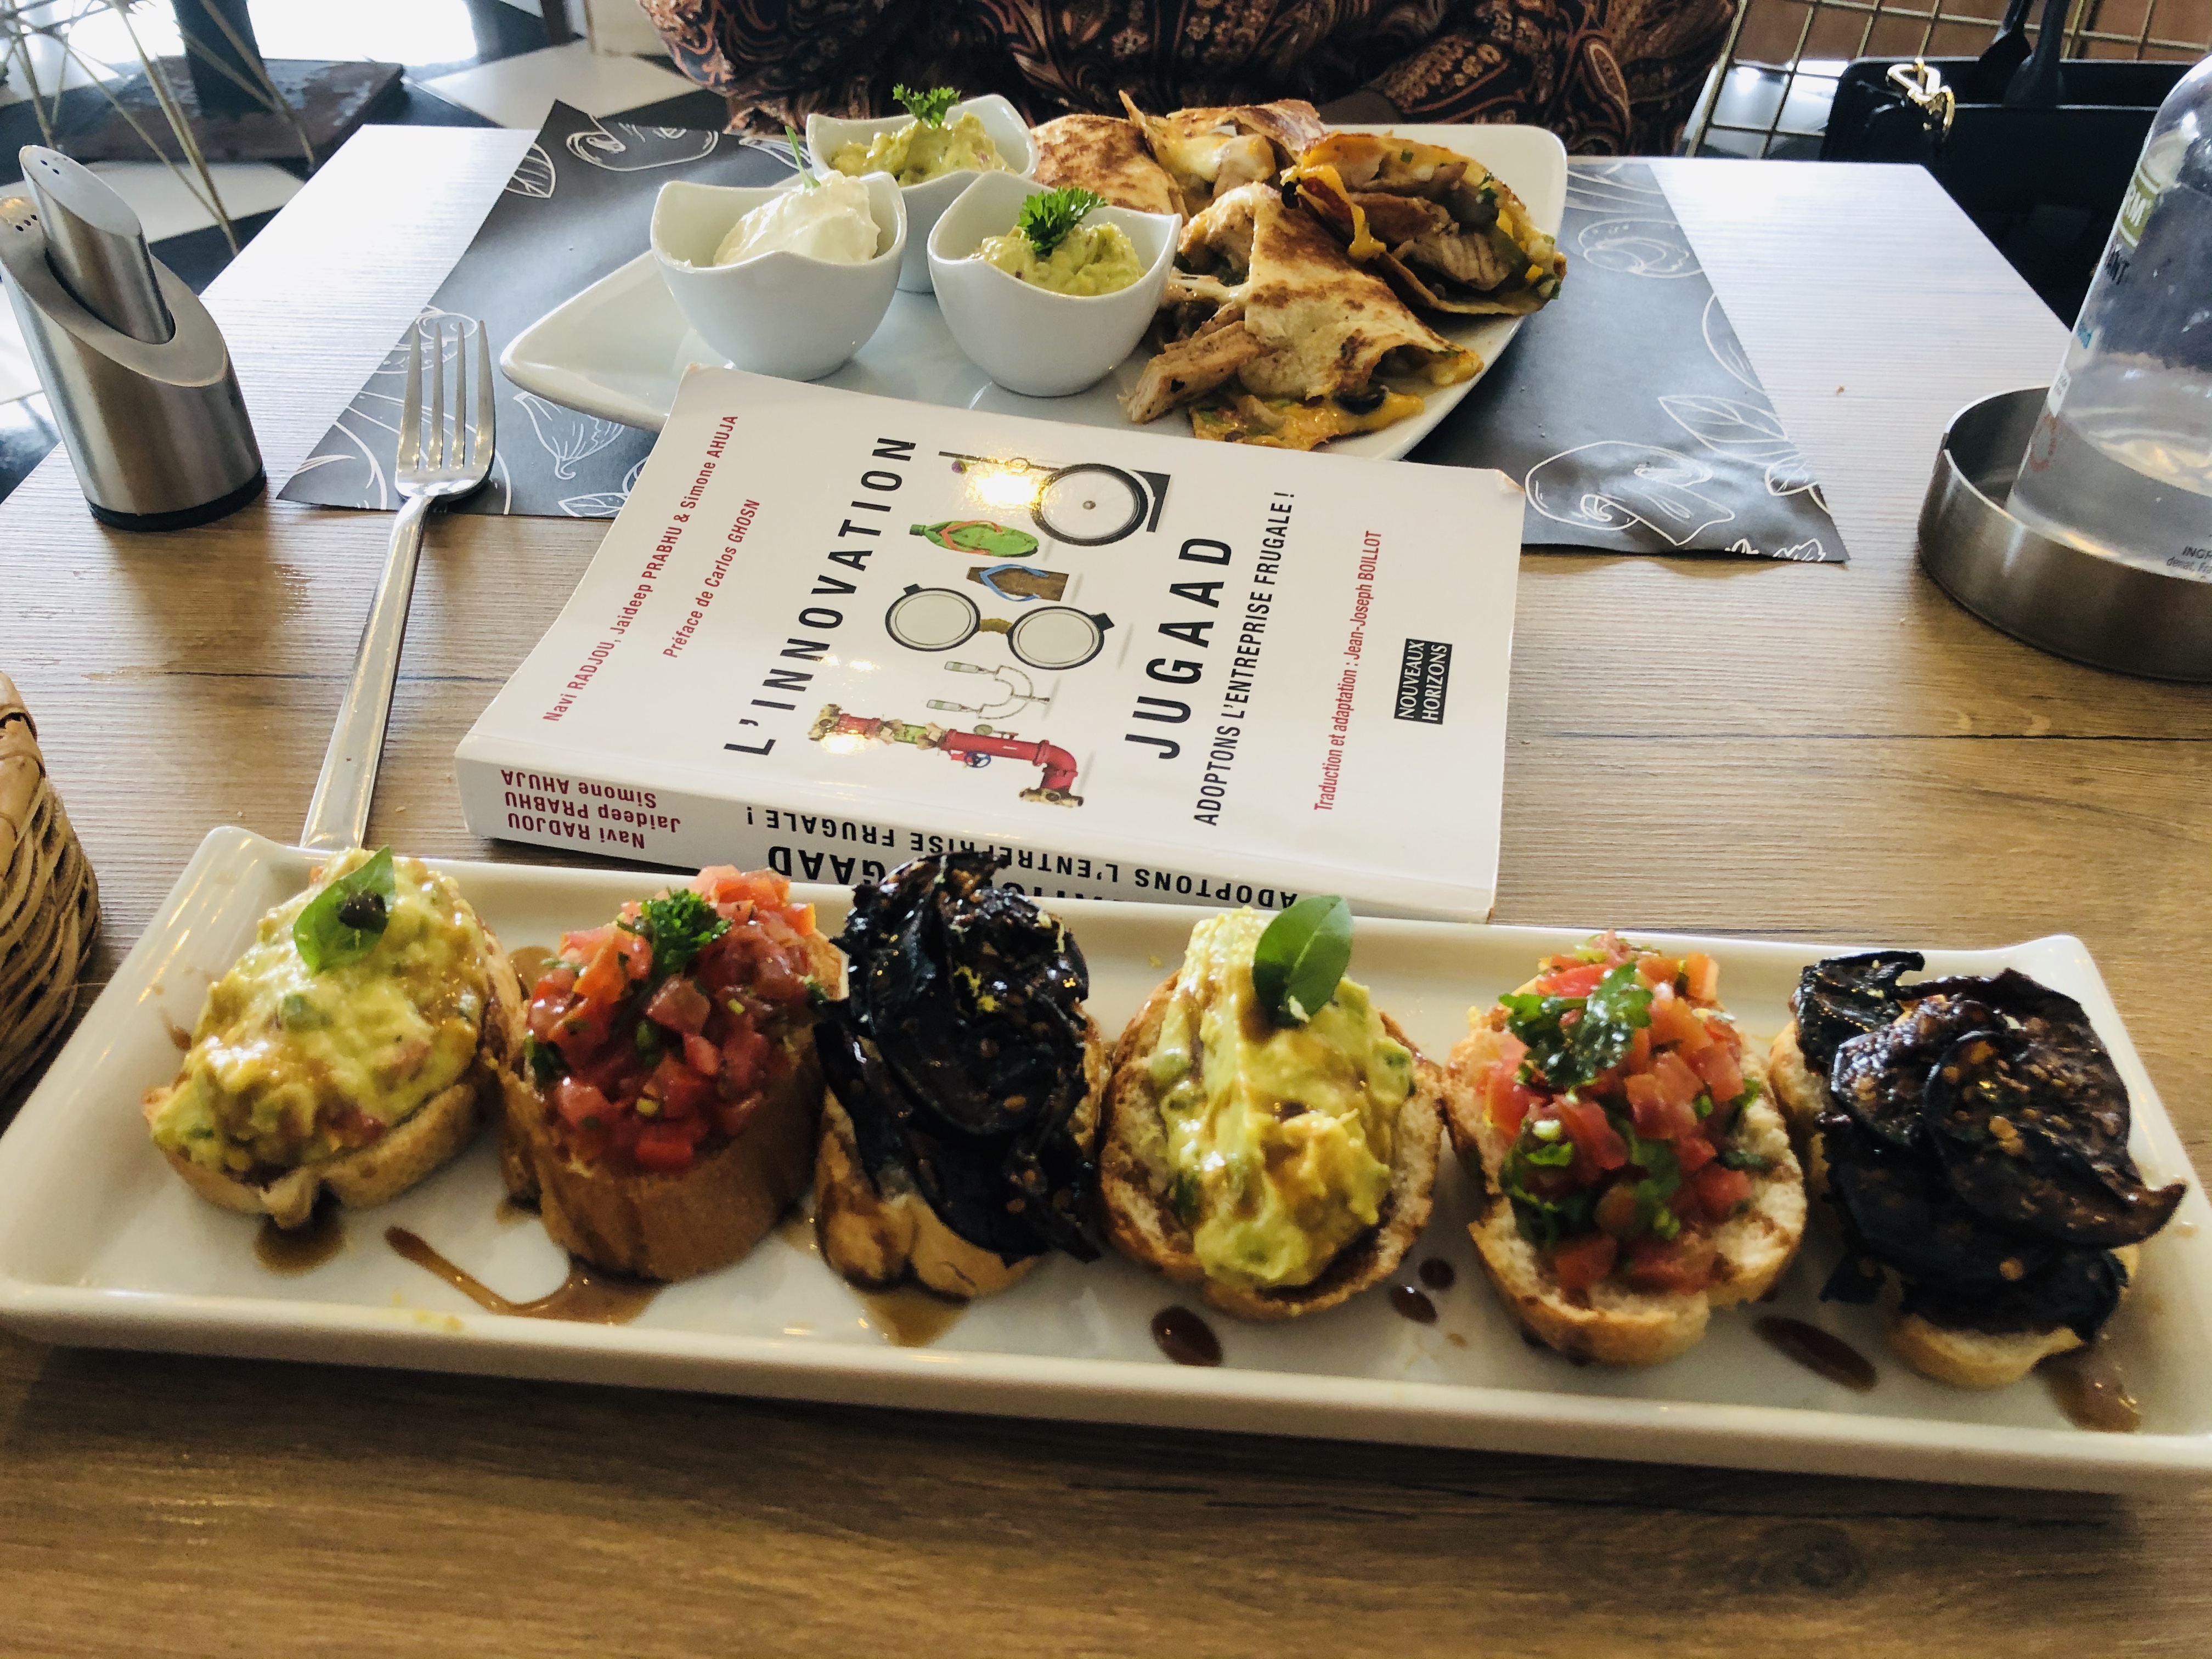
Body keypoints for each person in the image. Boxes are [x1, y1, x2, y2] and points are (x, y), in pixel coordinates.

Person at [637, 0, 1734, 156]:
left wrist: (1298, 148)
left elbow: (1549, 26)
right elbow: (736, 43)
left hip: (1382, 139)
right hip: (951, 184)